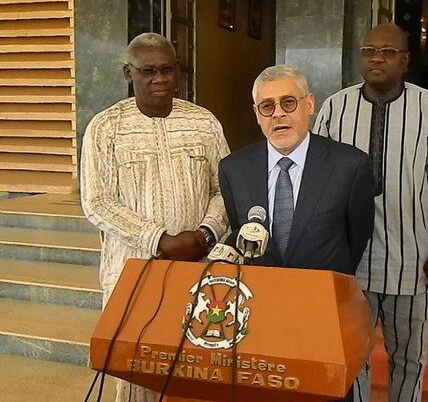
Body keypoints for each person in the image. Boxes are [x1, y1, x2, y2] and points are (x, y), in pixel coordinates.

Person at [314, 23, 428, 401]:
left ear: (405, 61)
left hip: (411, 261)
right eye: (369, 51)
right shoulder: (335, 107)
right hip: (351, 262)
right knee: (352, 355)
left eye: (388, 51)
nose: (377, 58)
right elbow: (317, 178)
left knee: (409, 359)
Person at [80, 33, 230, 402]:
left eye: (167, 69)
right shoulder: (106, 127)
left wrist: (206, 233)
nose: (159, 78)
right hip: (131, 274)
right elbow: (97, 202)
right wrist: (159, 239)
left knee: (197, 367)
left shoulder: (204, 123)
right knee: (137, 374)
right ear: (128, 73)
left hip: (198, 269)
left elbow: (227, 189)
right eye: (148, 71)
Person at [218, 65, 375, 402]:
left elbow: (357, 238)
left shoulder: (350, 166)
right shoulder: (233, 169)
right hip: (258, 316)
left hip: (324, 314)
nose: (278, 114)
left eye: (288, 102)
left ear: (310, 105)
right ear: (256, 114)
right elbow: (242, 232)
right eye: (267, 106)